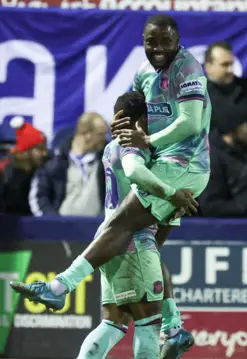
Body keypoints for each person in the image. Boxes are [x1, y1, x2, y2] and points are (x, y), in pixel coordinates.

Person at [10, 14, 210, 357]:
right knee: (146, 320)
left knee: (110, 324)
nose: (158, 49)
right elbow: (135, 172)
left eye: (165, 42)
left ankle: (61, 287)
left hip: (111, 241)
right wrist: (170, 193)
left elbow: (189, 123)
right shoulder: (132, 147)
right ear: (139, 117)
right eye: (151, 42)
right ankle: (172, 325)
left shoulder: (117, 145)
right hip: (135, 241)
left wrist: (148, 141)